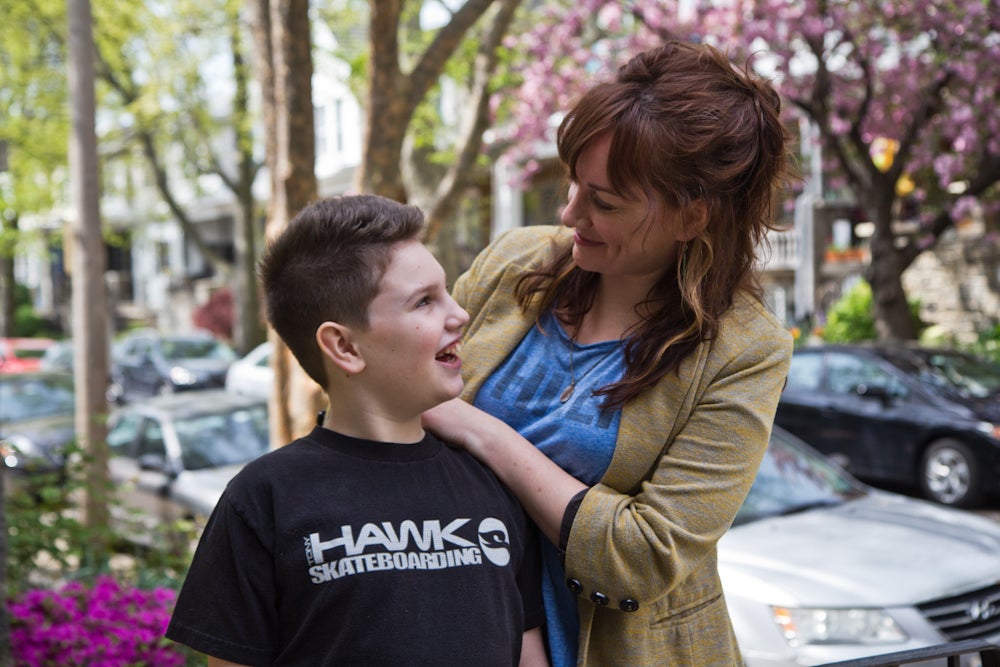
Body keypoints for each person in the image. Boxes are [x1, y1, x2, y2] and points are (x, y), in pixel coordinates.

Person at [421, 40, 793, 666]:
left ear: (692, 216)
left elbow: (645, 557)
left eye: (606, 203)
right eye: (574, 185)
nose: (570, 214)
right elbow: (387, 396)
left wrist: (481, 433)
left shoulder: (745, 350)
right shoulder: (513, 262)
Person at [166, 194, 547, 667]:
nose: (460, 315)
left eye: (446, 292)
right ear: (344, 346)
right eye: (424, 301)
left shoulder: (491, 486)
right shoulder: (263, 500)